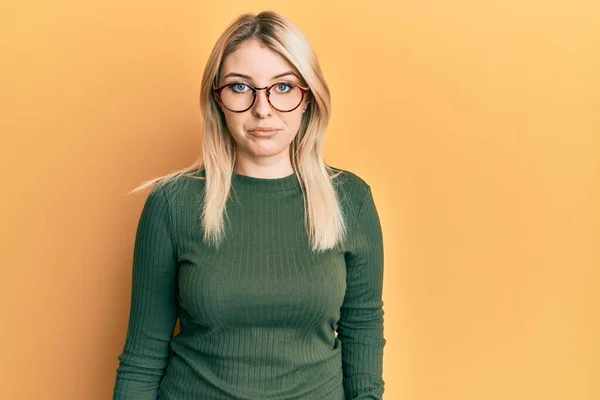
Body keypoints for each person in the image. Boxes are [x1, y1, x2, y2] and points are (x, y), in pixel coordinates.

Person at [112, 10, 386, 400]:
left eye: (283, 87)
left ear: (308, 96)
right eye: (241, 87)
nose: (263, 108)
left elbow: (363, 329)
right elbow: (143, 355)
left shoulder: (351, 200)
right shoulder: (172, 204)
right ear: (217, 98)